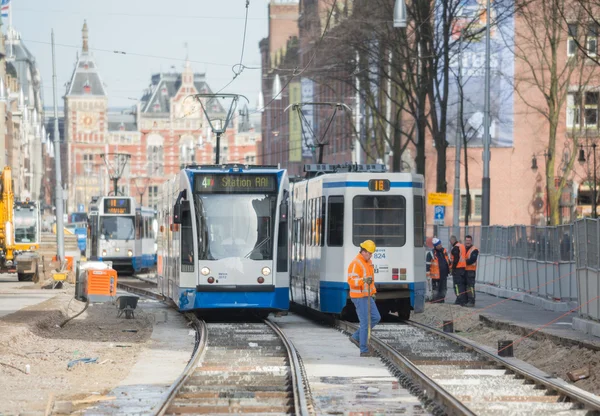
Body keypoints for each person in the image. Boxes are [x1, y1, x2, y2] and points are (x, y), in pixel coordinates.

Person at [347, 240, 380, 357]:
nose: (371, 255)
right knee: (365, 322)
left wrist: (373, 292)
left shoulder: (368, 262)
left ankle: (356, 337)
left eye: (371, 253)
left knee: (376, 317)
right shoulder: (356, 263)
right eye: (369, 253)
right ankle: (364, 350)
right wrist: (363, 280)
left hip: (368, 295)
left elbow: (371, 281)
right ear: (363, 251)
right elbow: (351, 281)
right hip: (359, 297)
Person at [430, 238, 451, 303]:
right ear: (435, 246)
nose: (440, 245)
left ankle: (441, 300)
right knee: (436, 289)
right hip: (436, 276)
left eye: (440, 244)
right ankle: (435, 300)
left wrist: (450, 269)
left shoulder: (444, 251)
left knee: (443, 288)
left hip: (444, 274)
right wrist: (428, 275)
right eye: (439, 245)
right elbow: (428, 265)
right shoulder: (431, 253)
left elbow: (448, 260)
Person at [450, 235, 467, 306]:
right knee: (462, 285)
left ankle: (459, 300)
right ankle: (463, 300)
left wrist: (453, 268)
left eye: (450, 241)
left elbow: (456, 260)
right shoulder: (462, 246)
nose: (450, 243)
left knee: (456, 286)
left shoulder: (455, 248)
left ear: (452, 241)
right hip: (463, 268)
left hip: (457, 269)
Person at [464, 235, 479, 307]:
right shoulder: (463, 248)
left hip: (471, 271)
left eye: (469, 240)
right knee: (466, 286)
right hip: (465, 270)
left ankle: (472, 301)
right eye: (466, 240)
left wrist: (463, 262)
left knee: (470, 286)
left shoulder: (474, 249)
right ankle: (467, 300)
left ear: (471, 241)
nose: (468, 242)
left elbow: (472, 260)